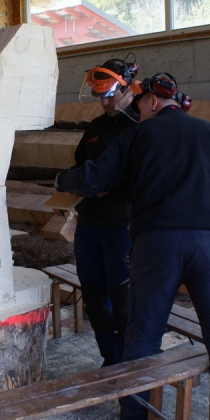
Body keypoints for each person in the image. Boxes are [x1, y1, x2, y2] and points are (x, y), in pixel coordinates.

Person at [55, 72, 210, 420]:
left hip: (156, 248)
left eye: (140, 106)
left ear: (152, 102)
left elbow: (96, 178)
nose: (138, 113)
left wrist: (60, 179)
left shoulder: (139, 135)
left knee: (142, 342)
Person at [72, 57, 138, 367]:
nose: (105, 102)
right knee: (95, 299)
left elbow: (147, 177)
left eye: (110, 95)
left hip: (121, 226)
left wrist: (113, 188)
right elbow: (79, 167)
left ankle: (130, 362)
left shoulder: (140, 126)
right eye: (100, 96)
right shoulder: (96, 128)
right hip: (89, 225)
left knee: (123, 301)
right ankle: (110, 360)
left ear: (128, 89)